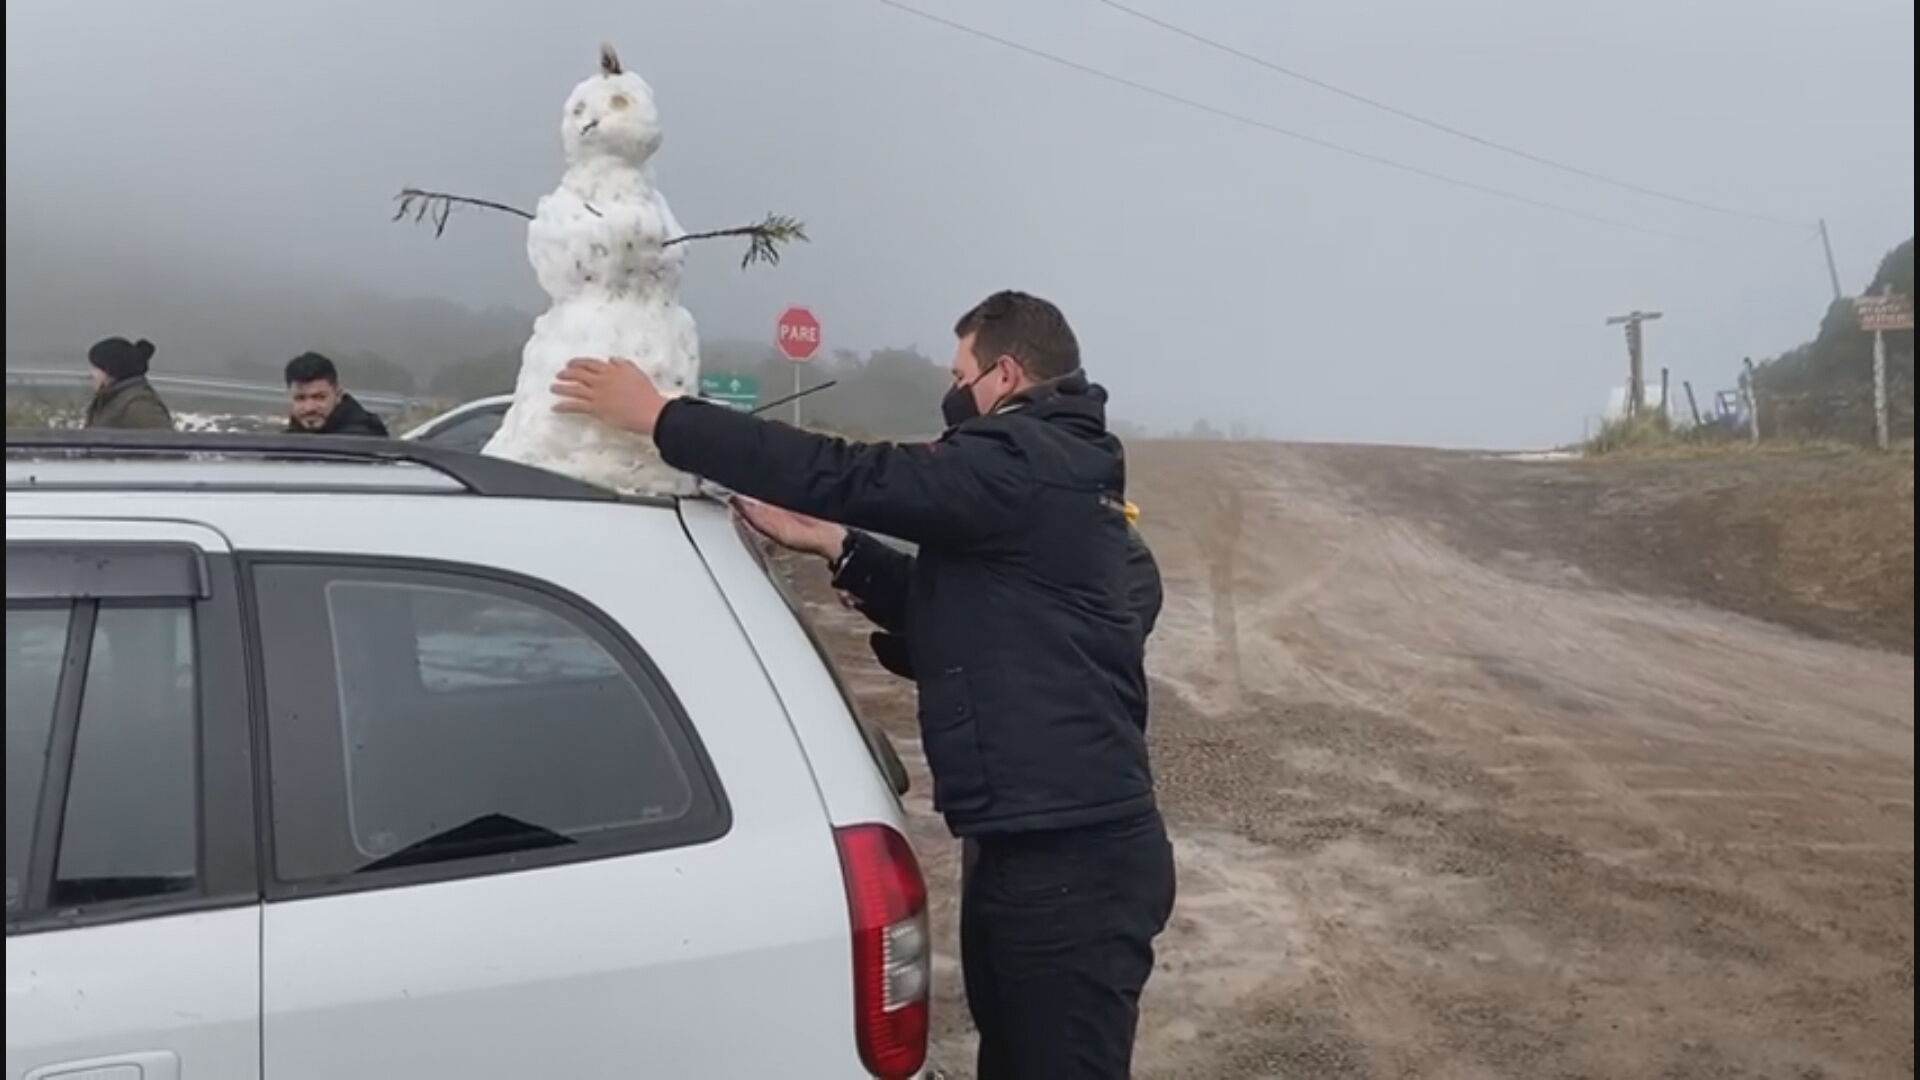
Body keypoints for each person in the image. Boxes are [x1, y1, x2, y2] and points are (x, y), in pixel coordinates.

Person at [551, 290, 1175, 1079]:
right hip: (1036, 842)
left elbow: (848, 471)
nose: (951, 393)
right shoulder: (1050, 474)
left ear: (1006, 373)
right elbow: (984, 616)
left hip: (1071, 859)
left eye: (960, 373)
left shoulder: (1023, 462)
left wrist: (663, 417)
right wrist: (836, 546)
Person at [283, 352, 390, 436]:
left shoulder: (367, 444)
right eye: (300, 398)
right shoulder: (282, 447)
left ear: (338, 395)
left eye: (320, 397)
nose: (309, 408)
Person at [83, 337, 174, 430]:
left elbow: (163, 441)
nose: (91, 374)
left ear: (112, 370)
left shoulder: (139, 406)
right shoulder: (111, 399)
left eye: (96, 368)